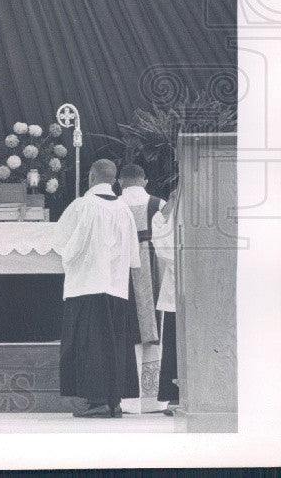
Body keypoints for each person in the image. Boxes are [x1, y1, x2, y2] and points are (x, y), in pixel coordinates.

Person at [53, 159, 141, 418]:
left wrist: (68, 258)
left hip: (88, 284)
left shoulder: (85, 205)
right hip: (116, 286)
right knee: (114, 343)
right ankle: (114, 402)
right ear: (113, 180)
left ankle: (98, 401)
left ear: (91, 176)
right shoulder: (123, 209)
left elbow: (66, 241)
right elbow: (133, 254)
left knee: (91, 345)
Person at [119, 164, 168, 414]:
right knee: (154, 325)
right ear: (145, 182)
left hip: (121, 270)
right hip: (154, 269)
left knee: (126, 326)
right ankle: (156, 400)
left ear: (120, 183)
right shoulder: (158, 204)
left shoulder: (114, 205)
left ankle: (128, 400)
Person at [153, 188, 180, 412]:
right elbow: (164, 248)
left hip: (187, 286)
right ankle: (175, 397)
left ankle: (177, 397)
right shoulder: (177, 209)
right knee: (174, 342)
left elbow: (163, 247)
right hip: (182, 288)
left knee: (176, 342)